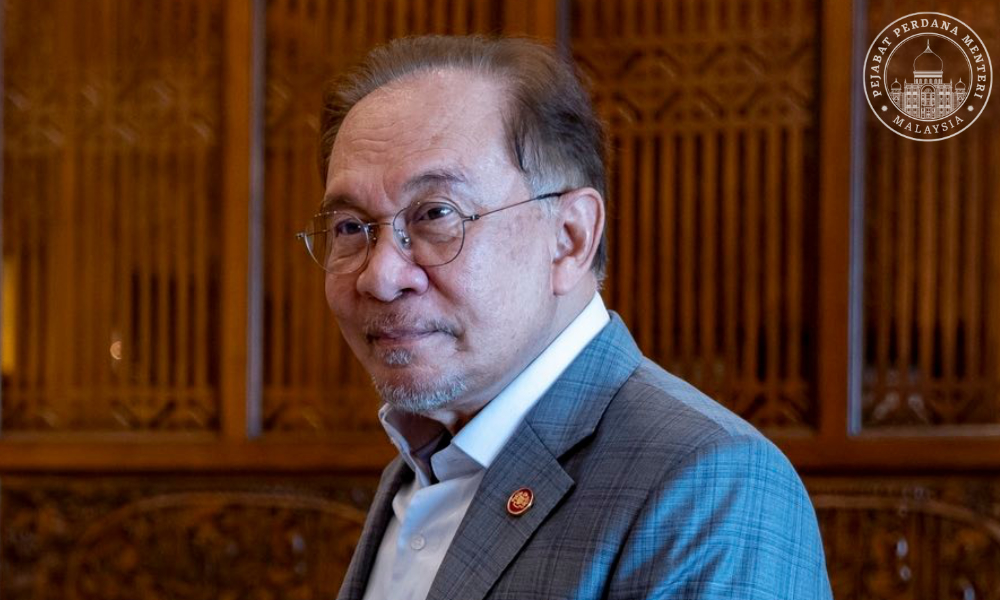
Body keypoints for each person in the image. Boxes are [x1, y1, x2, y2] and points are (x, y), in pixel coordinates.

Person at [299, 35, 833, 600]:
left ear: (570, 237)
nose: (380, 276)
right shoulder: (425, 462)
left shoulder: (714, 482)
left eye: (436, 214)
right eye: (350, 227)